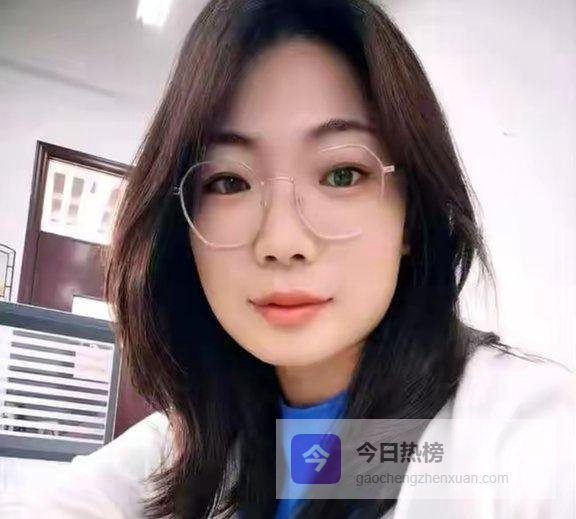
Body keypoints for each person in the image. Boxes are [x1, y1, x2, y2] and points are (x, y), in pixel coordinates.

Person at [23, 0, 575, 518]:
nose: (282, 240)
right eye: (229, 181)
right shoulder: (196, 440)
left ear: (411, 216)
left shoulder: (527, 435)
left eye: (342, 174)